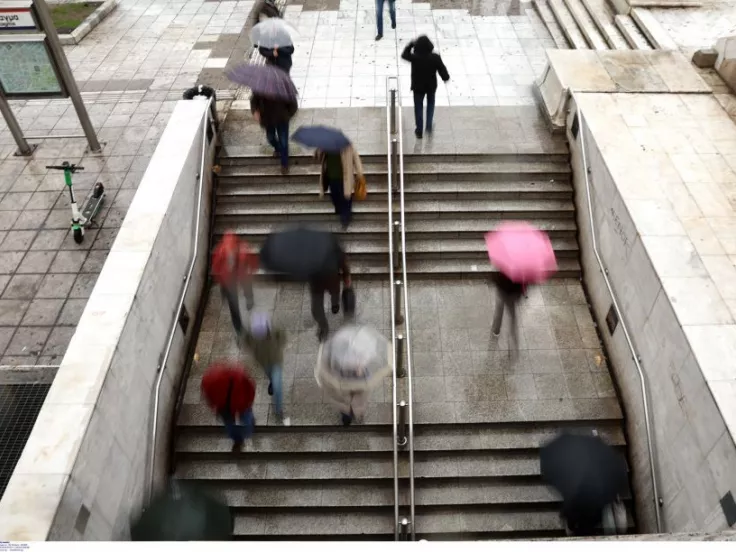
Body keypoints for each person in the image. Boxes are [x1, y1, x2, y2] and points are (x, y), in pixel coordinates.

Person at [241, 311, 290, 425]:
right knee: (270, 376)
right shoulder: (250, 333)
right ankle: (272, 382)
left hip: (276, 361)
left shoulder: (274, 330)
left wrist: (278, 348)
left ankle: (278, 410)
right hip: (263, 362)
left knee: (278, 387)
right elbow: (245, 342)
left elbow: (282, 337)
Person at [401, 36, 450, 139]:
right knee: (430, 105)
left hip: (418, 87)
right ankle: (428, 126)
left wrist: (410, 45)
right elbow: (442, 69)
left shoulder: (415, 57)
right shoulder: (435, 57)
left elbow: (404, 55)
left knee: (418, 107)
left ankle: (419, 130)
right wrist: (445, 78)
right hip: (431, 86)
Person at [201, 362, 256, 452]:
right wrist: (249, 402)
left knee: (230, 425)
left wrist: (215, 407)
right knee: (246, 419)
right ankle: (246, 432)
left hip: (228, 409)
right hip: (239, 406)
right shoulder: (238, 374)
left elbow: (209, 398)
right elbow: (250, 388)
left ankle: (238, 440)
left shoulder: (209, 381)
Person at [211, 232, 259, 334]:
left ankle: (249, 299)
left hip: (239, 274)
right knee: (233, 303)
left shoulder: (241, 250)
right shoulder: (220, 253)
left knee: (246, 286)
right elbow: (217, 268)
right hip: (228, 279)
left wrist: (252, 268)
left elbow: (250, 260)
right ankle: (238, 327)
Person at [317, 144, 364, 229]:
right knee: (334, 196)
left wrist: (359, 173)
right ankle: (340, 209)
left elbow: (356, 158)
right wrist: (320, 150)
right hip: (331, 178)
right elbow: (317, 158)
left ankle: (345, 219)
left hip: (345, 179)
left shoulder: (348, 146)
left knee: (346, 198)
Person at [309, 245, 351, 341]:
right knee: (316, 309)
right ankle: (324, 327)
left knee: (335, 294)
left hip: (332, 281)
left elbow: (343, 265)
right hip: (316, 284)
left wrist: (346, 277)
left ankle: (335, 304)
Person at [251, 93, 298, 174]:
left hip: (282, 119)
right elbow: (253, 101)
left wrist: (288, 115)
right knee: (270, 138)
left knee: (283, 141)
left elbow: (293, 104)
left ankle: (284, 164)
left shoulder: (283, 87)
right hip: (268, 119)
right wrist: (255, 111)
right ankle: (279, 149)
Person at [491, 271, 523, 352]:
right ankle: (511, 338)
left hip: (502, 291)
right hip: (512, 295)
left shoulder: (505, 266)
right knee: (512, 317)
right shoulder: (520, 270)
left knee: (499, 311)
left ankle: (496, 330)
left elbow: (497, 276)